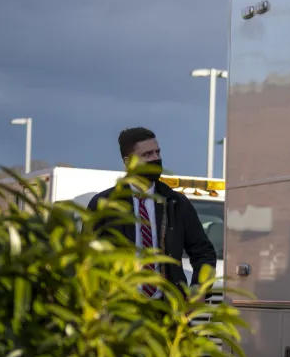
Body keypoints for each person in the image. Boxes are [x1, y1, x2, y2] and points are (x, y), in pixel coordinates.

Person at [87, 126, 218, 299]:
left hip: (167, 309)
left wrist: (199, 290)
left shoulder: (175, 203)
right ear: (128, 162)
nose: (155, 159)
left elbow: (203, 252)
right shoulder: (104, 204)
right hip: (121, 309)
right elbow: (89, 258)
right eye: (147, 155)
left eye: (157, 152)